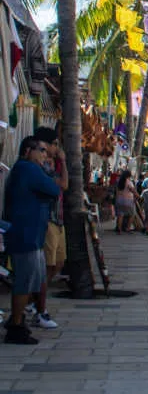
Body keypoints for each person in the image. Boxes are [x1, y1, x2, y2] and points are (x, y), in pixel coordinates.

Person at [2, 137, 61, 344]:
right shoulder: (28, 168)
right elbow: (55, 189)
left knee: (31, 280)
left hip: (31, 234)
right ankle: (16, 326)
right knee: (24, 283)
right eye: (41, 151)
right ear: (28, 150)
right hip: (25, 234)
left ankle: (17, 319)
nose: (45, 155)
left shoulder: (25, 169)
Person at [31, 126, 68, 330]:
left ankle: (32, 300)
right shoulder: (41, 166)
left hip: (58, 218)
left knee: (58, 263)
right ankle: (38, 309)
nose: (56, 148)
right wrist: (62, 161)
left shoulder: (50, 164)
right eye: (54, 144)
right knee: (45, 268)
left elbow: (66, 184)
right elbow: (62, 184)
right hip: (48, 220)